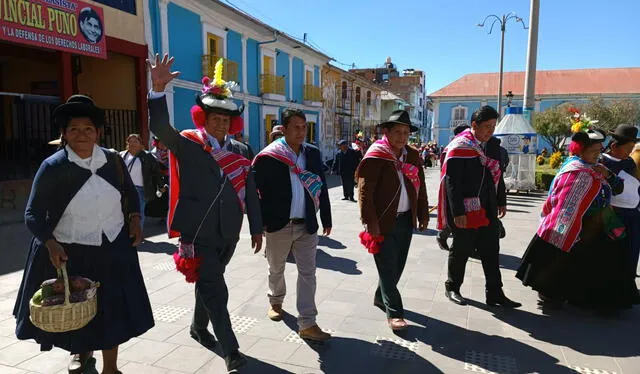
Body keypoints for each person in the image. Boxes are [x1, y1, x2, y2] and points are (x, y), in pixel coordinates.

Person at [13, 94, 154, 374]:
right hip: (72, 251)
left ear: (98, 132)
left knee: (111, 312)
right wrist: (50, 244)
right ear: (64, 133)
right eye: (74, 129)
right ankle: (81, 353)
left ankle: (111, 368)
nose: (82, 135)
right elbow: (32, 213)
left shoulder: (113, 161)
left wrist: (136, 219)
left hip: (113, 249)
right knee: (79, 310)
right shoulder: (54, 167)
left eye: (88, 128)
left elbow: (129, 193)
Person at [147, 54, 263, 371]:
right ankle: (231, 351)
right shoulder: (188, 143)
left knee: (209, 281)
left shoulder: (241, 151)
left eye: (226, 119)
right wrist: (157, 90)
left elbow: (250, 191)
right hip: (197, 232)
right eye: (215, 117)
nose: (221, 123)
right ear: (204, 117)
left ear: (233, 122)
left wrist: (257, 226)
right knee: (216, 289)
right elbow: (159, 127)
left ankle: (198, 328)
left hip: (229, 232)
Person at [517, 128, 636, 312]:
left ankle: (585, 298)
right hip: (571, 225)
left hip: (595, 226)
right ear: (581, 151)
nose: (598, 156)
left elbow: (617, 188)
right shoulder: (574, 170)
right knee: (558, 261)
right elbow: (563, 202)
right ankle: (549, 295)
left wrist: (608, 175)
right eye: (594, 152)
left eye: (599, 151)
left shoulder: (597, 168)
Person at [252, 109, 332, 342]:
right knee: (276, 269)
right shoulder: (269, 157)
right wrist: (259, 226)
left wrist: (326, 217)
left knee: (308, 274)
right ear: (283, 129)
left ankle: (307, 322)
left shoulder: (312, 154)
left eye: (304, 126)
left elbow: (321, 185)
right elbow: (255, 193)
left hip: (306, 223)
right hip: (278, 225)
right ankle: (276, 301)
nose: (301, 131)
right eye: (295, 127)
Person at [437, 106, 520, 308]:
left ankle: (495, 292)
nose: (490, 131)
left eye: (493, 126)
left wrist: (501, 200)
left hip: (488, 207)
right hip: (465, 209)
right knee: (461, 249)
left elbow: (497, 176)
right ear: (474, 125)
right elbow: (452, 182)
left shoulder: (492, 146)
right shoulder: (460, 147)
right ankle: (453, 287)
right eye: (486, 127)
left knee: (491, 250)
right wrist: (457, 212)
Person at [356, 110, 429, 331]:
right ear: (386, 132)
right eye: (397, 132)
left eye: (406, 132)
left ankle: (381, 296)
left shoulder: (413, 156)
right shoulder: (376, 155)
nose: (402, 137)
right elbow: (365, 191)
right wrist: (369, 221)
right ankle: (395, 313)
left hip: (406, 220)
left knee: (397, 266)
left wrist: (423, 214)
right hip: (382, 221)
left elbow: (421, 186)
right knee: (387, 267)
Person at [601, 124, 640, 303]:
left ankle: (628, 290)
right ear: (614, 146)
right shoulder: (602, 162)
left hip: (633, 216)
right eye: (628, 149)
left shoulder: (630, 163)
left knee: (632, 254)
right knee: (614, 256)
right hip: (613, 216)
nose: (630, 153)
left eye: (633, 149)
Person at [436, 124, 470, 251]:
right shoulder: (454, 148)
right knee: (453, 215)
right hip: (452, 187)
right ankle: (442, 236)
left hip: (461, 188)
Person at [119, 133, 161, 228]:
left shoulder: (147, 156)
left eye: (135, 141)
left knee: (138, 213)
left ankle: (138, 233)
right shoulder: (122, 155)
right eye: (130, 141)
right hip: (124, 188)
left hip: (139, 189)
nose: (132, 143)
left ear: (140, 144)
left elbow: (157, 172)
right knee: (123, 212)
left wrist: (160, 186)